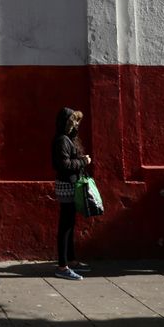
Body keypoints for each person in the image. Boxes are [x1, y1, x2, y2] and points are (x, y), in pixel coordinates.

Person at [51, 107, 92, 280]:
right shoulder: (62, 140)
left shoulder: (68, 139)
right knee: (65, 226)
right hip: (66, 185)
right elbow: (64, 164)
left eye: (76, 121)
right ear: (65, 123)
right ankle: (62, 266)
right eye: (72, 121)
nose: (75, 124)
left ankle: (71, 260)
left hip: (71, 185)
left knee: (70, 224)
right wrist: (83, 161)